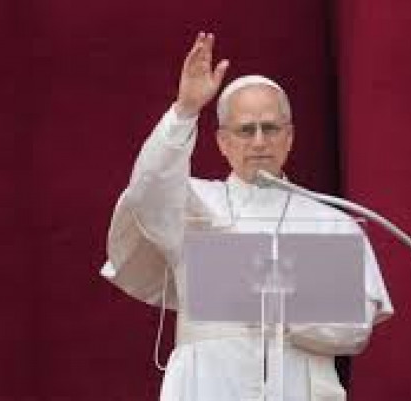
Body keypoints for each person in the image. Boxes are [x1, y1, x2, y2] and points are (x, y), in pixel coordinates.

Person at [100, 32, 393, 401]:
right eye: (245, 130)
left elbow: (354, 330)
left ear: (289, 137)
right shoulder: (192, 206)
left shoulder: (331, 223)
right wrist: (185, 111)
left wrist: (276, 308)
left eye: (270, 128)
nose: (258, 142)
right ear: (223, 142)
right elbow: (146, 192)